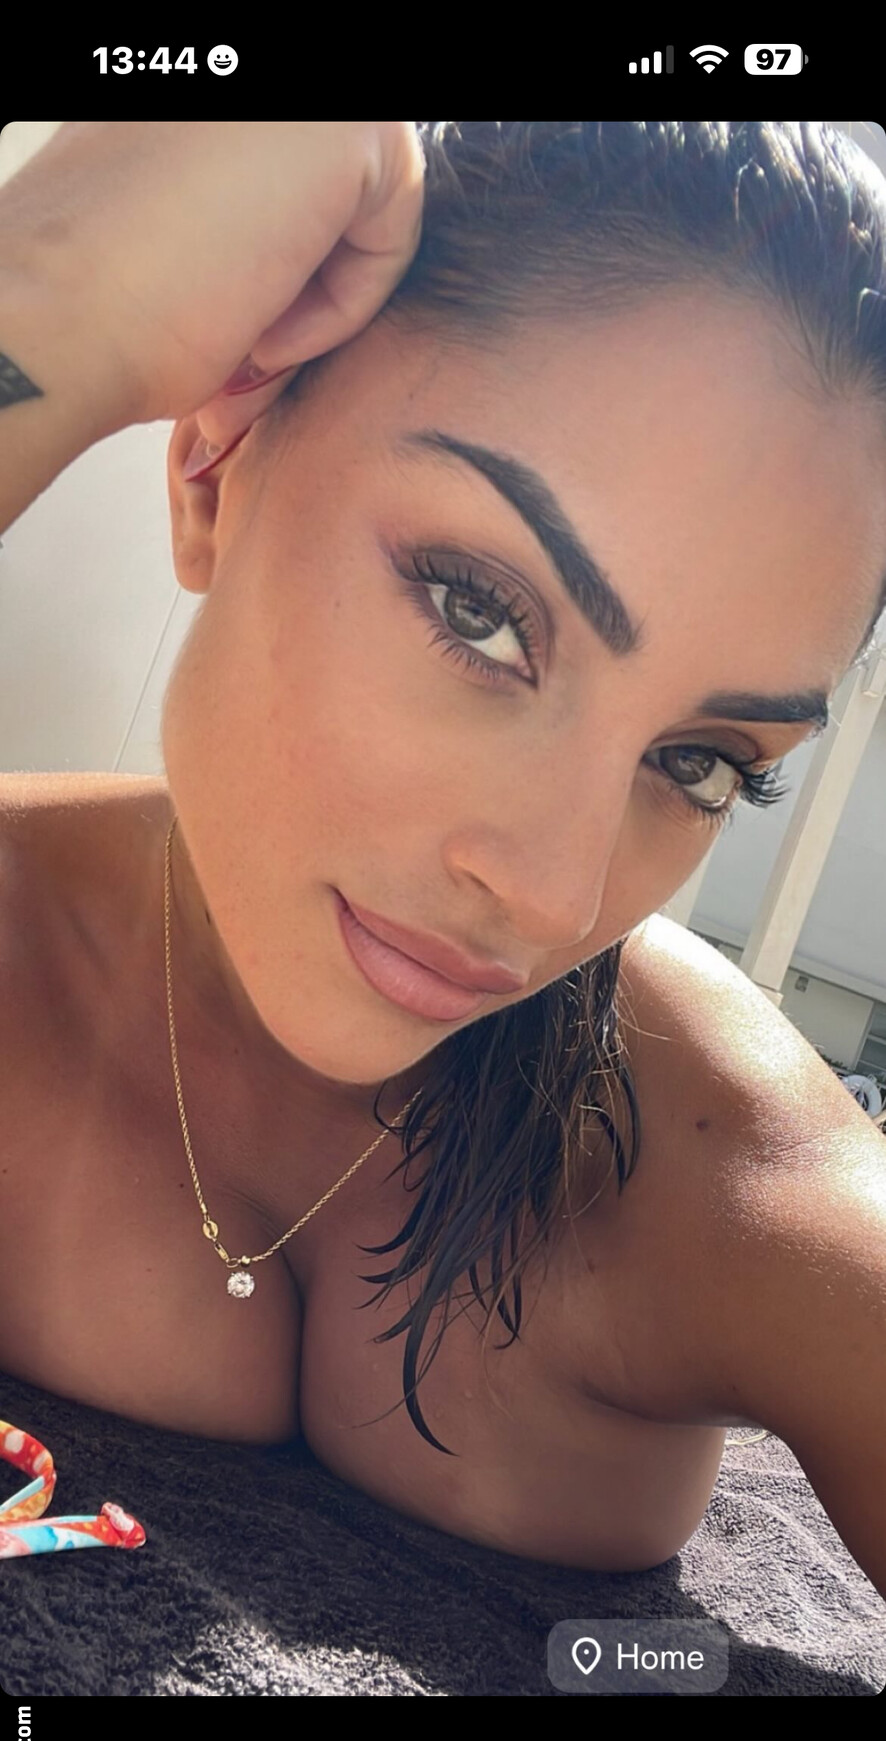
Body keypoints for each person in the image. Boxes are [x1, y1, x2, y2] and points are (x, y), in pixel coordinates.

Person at [1, 122, 885, 1584]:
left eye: (701, 763)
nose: (554, 895)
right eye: (479, 612)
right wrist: (45, 290)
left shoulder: (709, 1166)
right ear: (215, 469)